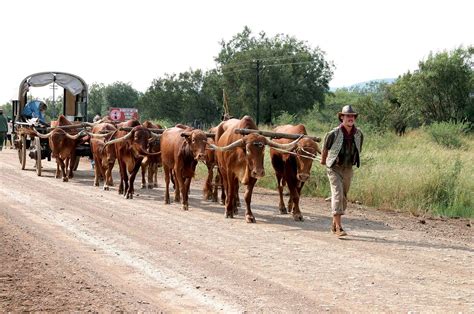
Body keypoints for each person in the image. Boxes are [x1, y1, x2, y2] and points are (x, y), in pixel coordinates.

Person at [320, 105, 364, 237]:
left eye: (352, 116)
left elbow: (358, 149)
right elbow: (325, 149)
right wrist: (324, 161)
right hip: (334, 167)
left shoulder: (359, 134)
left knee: (343, 197)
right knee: (338, 194)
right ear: (342, 117)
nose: (350, 118)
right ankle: (339, 227)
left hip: (348, 168)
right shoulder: (333, 133)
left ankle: (334, 225)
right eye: (347, 116)